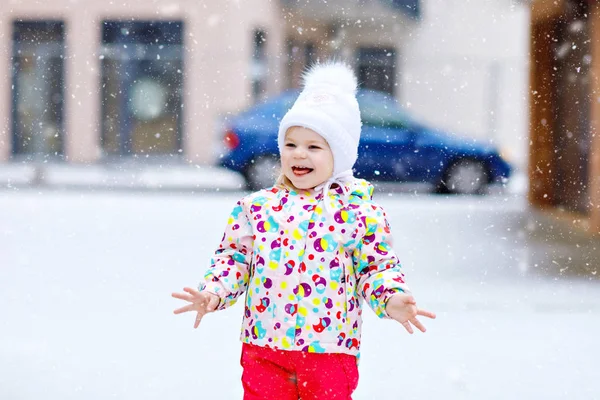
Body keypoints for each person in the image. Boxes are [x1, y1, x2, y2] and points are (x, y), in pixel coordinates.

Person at [172, 61, 436, 400]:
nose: (300, 154)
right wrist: (212, 292)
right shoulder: (256, 208)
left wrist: (391, 299)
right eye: (291, 144)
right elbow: (234, 261)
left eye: (314, 147)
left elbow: (377, 268)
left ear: (338, 156)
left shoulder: (359, 212)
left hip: (329, 350)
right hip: (263, 346)